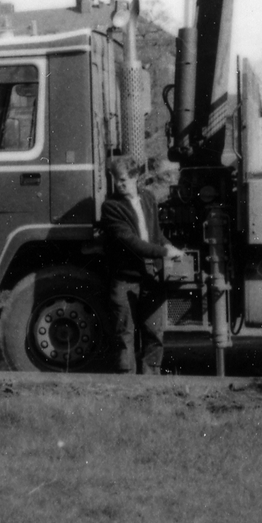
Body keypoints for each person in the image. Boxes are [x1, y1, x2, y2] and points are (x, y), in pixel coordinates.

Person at [100, 158, 184, 374]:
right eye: (116, 179)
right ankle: (127, 385)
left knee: (154, 333)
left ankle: (150, 384)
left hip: (152, 276)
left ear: (136, 177)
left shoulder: (148, 198)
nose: (119, 184)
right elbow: (131, 242)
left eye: (123, 179)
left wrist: (168, 245)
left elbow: (154, 234)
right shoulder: (110, 207)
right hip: (125, 279)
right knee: (124, 335)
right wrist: (166, 252)